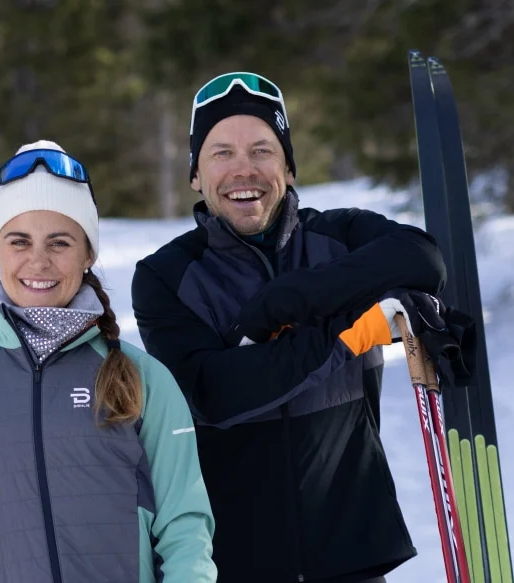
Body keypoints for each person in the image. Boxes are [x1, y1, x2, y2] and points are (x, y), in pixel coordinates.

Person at [131, 73, 449, 583]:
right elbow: (217, 391)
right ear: (196, 174)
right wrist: (346, 332)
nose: (244, 170)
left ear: (289, 166)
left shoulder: (341, 236)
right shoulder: (165, 277)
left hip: (354, 549)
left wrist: (287, 301)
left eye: (262, 150)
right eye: (221, 154)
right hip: (237, 561)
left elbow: (422, 258)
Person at [0, 140, 217, 583]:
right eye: (19, 241)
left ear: (87, 254)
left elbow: (186, 532)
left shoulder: (142, 379)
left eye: (60, 242)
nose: (38, 260)